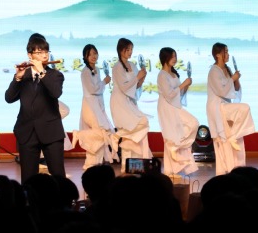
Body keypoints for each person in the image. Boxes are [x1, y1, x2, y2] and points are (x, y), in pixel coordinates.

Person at [5, 34, 66, 184]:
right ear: (30, 55)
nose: (44, 55)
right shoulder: (24, 75)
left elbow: (56, 93)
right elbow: (9, 98)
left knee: (58, 176)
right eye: (39, 52)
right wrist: (18, 77)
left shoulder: (55, 75)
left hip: (51, 132)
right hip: (27, 132)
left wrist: (42, 72)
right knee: (28, 178)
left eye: (46, 51)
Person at [206, 42, 256, 175]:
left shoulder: (226, 69)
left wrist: (236, 79)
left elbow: (235, 89)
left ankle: (236, 169)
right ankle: (224, 171)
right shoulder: (214, 71)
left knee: (234, 134)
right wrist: (233, 78)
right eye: (225, 52)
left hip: (225, 106)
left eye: (228, 51)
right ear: (218, 55)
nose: (228, 54)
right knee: (223, 139)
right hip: (217, 106)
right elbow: (221, 90)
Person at [110, 37, 153, 173]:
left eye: (131, 50)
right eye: (127, 49)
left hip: (130, 102)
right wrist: (137, 77)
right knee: (141, 123)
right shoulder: (117, 67)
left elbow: (135, 87)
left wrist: (142, 79)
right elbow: (124, 87)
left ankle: (132, 167)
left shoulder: (133, 66)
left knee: (133, 135)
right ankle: (117, 135)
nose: (130, 52)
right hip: (120, 102)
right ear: (120, 50)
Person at [73, 44, 118, 171]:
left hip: (98, 105)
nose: (93, 56)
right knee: (101, 131)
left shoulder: (97, 69)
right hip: (90, 105)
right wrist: (104, 82)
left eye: (95, 53)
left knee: (102, 133)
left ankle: (93, 164)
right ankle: (80, 135)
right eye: (90, 54)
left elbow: (99, 91)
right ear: (85, 56)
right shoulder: (85, 72)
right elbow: (93, 89)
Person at [157, 46, 200, 177]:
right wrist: (183, 84)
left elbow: (179, 94)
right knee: (171, 134)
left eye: (175, 56)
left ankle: (173, 159)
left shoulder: (174, 74)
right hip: (167, 107)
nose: (174, 59)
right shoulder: (162, 75)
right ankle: (170, 170)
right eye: (172, 56)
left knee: (192, 124)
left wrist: (186, 86)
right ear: (165, 58)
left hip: (175, 105)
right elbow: (169, 94)